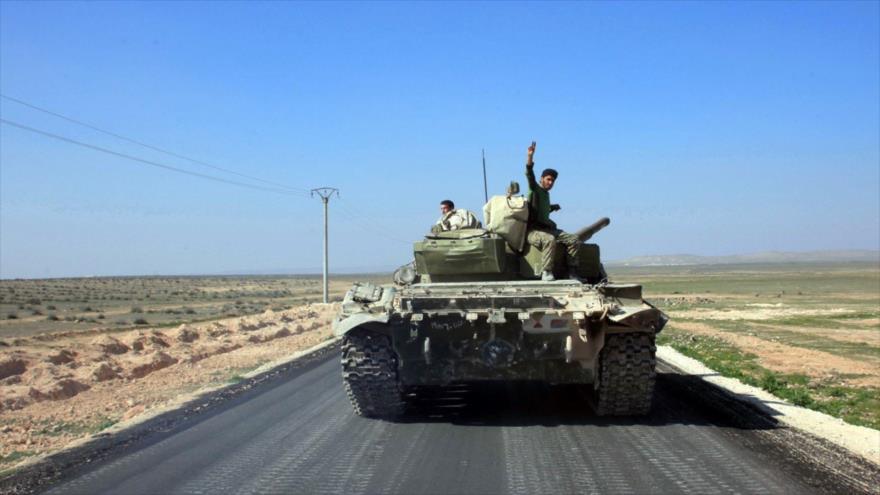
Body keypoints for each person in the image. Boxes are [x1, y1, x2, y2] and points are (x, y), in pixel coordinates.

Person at [524, 141, 580, 281]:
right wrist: (530, 156)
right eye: (548, 179)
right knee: (549, 240)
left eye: (553, 181)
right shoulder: (535, 189)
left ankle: (572, 271)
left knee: (574, 239)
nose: (550, 183)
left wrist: (552, 207)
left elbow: (542, 209)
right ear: (542, 179)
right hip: (532, 231)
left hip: (546, 229)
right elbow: (529, 173)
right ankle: (547, 272)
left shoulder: (546, 195)